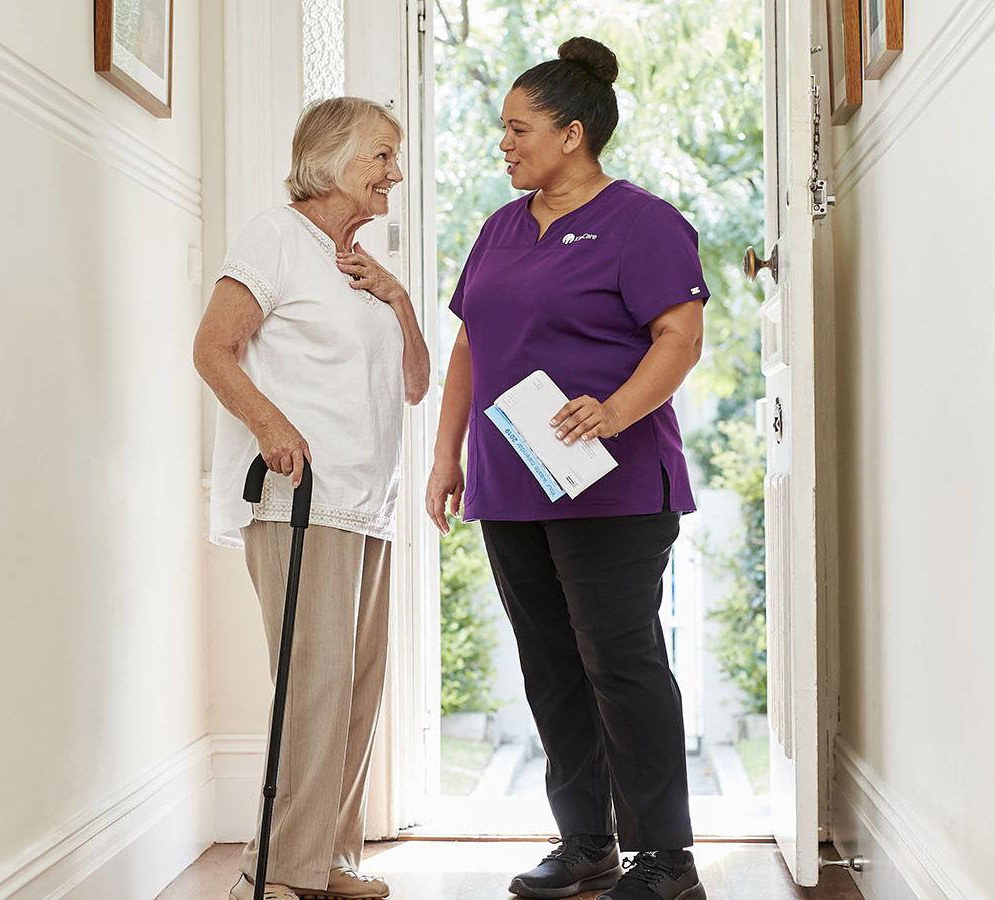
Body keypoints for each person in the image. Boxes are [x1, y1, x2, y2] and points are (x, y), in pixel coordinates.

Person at [426, 37, 709, 900]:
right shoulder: (499, 229)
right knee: (549, 662)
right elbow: (470, 343)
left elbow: (680, 337)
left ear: (572, 134)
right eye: (503, 131)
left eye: (518, 129)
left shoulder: (644, 221)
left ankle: (666, 858)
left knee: (620, 661)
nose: (504, 144)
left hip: (614, 487)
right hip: (511, 483)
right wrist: (448, 454)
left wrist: (616, 412)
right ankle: (586, 840)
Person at [194, 96, 430, 900]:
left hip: (368, 502)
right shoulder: (277, 236)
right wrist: (270, 426)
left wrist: (397, 298)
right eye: (382, 156)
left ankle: (326, 858)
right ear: (330, 159)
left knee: (357, 686)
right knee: (314, 682)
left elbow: (416, 382)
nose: (395, 172)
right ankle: (273, 870)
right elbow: (214, 347)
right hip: (301, 498)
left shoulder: (360, 266)